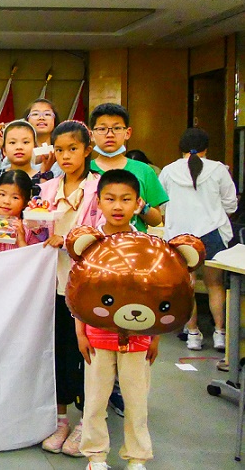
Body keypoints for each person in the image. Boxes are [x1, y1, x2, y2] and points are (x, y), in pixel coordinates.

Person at [77, 169, 160, 470]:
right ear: (98, 201)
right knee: (95, 401)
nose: (117, 206)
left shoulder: (148, 245)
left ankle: (137, 457)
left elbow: (157, 292)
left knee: (136, 402)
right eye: (110, 199)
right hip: (97, 335)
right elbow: (79, 292)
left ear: (138, 204)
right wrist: (80, 333)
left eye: (126, 199)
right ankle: (95, 456)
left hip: (138, 336)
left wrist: (155, 336)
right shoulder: (90, 242)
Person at [39, 120, 101, 457]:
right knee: (59, 351)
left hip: (88, 285)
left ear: (87, 150)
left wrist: (68, 239)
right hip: (54, 283)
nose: (65, 156)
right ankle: (61, 419)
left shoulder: (100, 188)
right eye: (59, 150)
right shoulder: (48, 188)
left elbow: (105, 232)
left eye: (73, 149)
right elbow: (38, 230)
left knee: (90, 355)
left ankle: (87, 423)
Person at [160, 128, 238, 351]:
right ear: (206, 148)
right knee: (215, 284)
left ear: (181, 148)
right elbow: (231, 204)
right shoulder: (219, 169)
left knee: (188, 287)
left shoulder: (168, 171)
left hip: (180, 237)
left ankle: (193, 334)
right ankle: (220, 334)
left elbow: (161, 204)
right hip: (212, 233)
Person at [88, 103, 167, 233]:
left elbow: (157, 220)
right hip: (94, 243)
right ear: (91, 134)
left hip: (135, 243)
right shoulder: (84, 170)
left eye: (117, 128)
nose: (110, 134)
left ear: (127, 133)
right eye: (102, 129)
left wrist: (142, 207)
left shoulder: (144, 170)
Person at [0, 120, 53, 211]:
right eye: (12, 142)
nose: (19, 147)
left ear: (35, 147)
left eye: (25, 142)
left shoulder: (42, 177)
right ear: (4, 150)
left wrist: (45, 173)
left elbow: (46, 206)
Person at [0, 169, 42, 254]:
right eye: (2, 194)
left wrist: (21, 240)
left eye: (15, 197)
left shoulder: (28, 228)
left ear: (26, 203)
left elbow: (33, 258)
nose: (6, 201)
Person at [0, 98, 61, 176]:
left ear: (55, 120)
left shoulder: (61, 152)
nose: (41, 118)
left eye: (47, 114)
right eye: (35, 114)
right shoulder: (17, 152)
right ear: (27, 120)